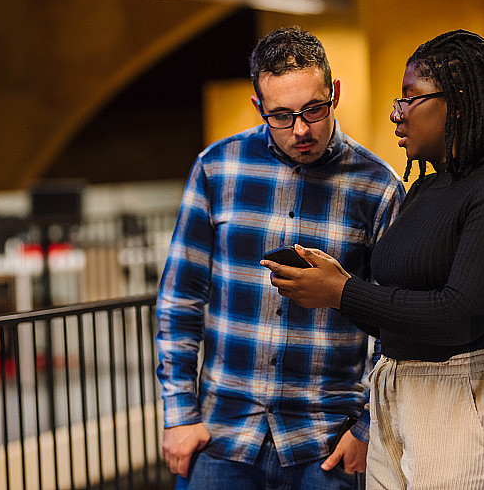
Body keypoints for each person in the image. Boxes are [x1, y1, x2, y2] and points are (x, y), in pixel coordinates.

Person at [261, 29, 484, 489]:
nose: (396, 115)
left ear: (455, 102)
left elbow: (459, 317)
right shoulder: (424, 189)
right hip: (400, 397)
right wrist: (338, 284)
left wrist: (343, 292)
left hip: (471, 402)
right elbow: (399, 313)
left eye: (409, 99)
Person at [156, 26, 405, 490]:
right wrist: (178, 415)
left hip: (326, 443)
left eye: (313, 108)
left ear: (334, 93)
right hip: (222, 434)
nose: (302, 129)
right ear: (258, 108)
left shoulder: (379, 187)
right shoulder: (217, 167)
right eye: (282, 115)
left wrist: (368, 427)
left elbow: (394, 322)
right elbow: (180, 299)